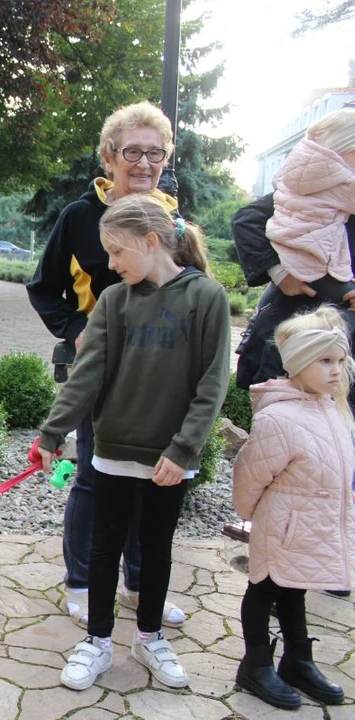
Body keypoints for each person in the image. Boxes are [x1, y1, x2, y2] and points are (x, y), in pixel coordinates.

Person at [36, 194, 230, 692]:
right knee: (104, 548)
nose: (111, 264)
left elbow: (212, 384)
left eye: (117, 253)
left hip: (170, 458)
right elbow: (87, 373)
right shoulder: (114, 301)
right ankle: (97, 642)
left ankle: (149, 637)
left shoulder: (207, 298)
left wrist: (184, 449)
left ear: (150, 242)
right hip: (114, 450)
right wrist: (53, 432)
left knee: (156, 548)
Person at [26, 101, 186, 631]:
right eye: (132, 151)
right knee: (94, 478)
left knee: (150, 481)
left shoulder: (173, 220)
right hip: (99, 369)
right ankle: (81, 582)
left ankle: (140, 587)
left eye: (154, 153)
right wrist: (77, 330)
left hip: (159, 372)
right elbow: (45, 287)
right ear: (109, 156)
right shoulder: (79, 217)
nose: (144, 163)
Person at [231, 305, 354, 710]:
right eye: (324, 361)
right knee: (264, 590)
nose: (335, 370)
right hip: (281, 527)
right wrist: (254, 517)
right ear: (298, 364)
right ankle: (256, 664)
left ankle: (298, 661)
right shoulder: (279, 418)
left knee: (294, 591)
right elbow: (250, 476)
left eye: (340, 361)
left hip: (312, 527)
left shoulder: (334, 411)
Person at [265, 109, 355, 304]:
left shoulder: (293, 172)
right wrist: (279, 274)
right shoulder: (342, 182)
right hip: (316, 265)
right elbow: (246, 219)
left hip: (290, 249)